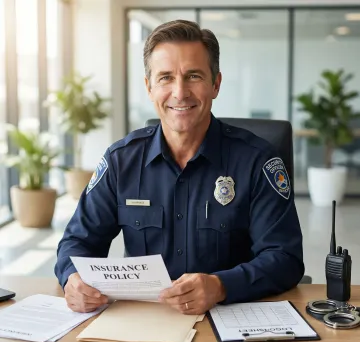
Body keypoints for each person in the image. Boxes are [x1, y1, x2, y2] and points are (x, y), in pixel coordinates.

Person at [55, 19, 304, 314]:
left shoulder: (257, 161)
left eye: (193, 76)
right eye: (165, 78)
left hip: (230, 320)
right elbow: (77, 241)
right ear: (149, 87)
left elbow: (284, 257)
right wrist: (73, 279)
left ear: (216, 84)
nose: (180, 92)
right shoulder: (121, 161)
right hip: (145, 322)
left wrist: (221, 286)